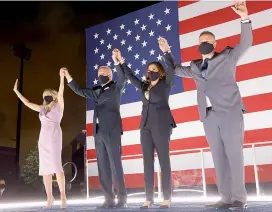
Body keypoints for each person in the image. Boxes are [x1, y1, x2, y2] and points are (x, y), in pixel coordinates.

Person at [160, 0, 252, 210]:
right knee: (218, 157)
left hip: (230, 112)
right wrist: (167, 52)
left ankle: (239, 199)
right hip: (208, 116)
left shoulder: (228, 57)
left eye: (208, 40)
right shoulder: (193, 67)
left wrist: (244, 18)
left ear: (214, 44)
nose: (204, 43)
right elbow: (174, 69)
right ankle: (225, 198)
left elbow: (245, 43)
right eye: (201, 41)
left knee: (234, 155)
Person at [62, 50, 128, 209]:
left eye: (104, 73)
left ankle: (122, 199)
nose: (101, 76)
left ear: (110, 76)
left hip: (112, 131)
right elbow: (79, 90)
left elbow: (123, 77)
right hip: (98, 132)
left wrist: (117, 61)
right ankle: (108, 199)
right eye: (99, 73)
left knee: (115, 165)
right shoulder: (96, 91)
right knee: (103, 166)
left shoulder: (116, 88)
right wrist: (68, 76)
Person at [115, 48, 176, 209]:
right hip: (145, 127)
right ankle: (149, 198)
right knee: (147, 162)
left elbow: (172, 67)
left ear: (160, 72)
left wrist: (167, 52)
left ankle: (167, 197)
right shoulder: (143, 86)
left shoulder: (166, 84)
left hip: (162, 126)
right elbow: (130, 76)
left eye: (154, 70)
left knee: (164, 161)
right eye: (149, 70)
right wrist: (121, 60)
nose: (151, 72)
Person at [13, 68, 68, 209]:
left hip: (55, 137)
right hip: (43, 139)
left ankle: (63, 197)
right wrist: (16, 91)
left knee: (57, 166)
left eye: (48, 95)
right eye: (44, 95)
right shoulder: (42, 109)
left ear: (54, 96)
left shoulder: (59, 106)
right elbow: (27, 102)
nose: (46, 97)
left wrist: (61, 77)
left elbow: (61, 92)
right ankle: (49, 198)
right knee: (45, 169)